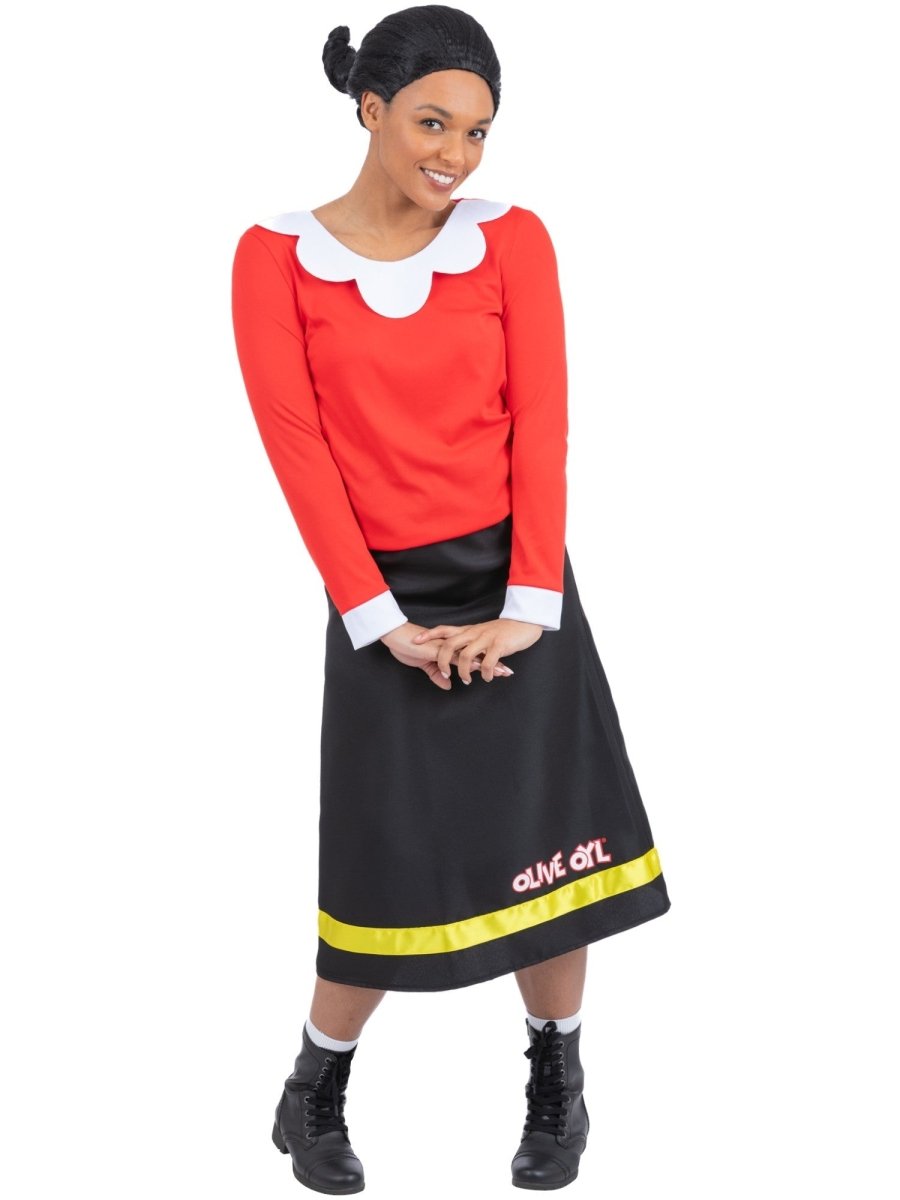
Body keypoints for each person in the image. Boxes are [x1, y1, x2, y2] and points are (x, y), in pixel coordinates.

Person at [231, 5, 671, 1193]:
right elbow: (298, 453)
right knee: (381, 857)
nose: (456, 155)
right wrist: (383, 624)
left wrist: (528, 604)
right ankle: (314, 1087)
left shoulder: (513, 240)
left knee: (551, 857)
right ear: (370, 109)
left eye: (477, 132)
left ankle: (558, 1081)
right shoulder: (273, 257)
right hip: (382, 599)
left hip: (517, 582)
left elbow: (543, 421)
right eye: (433, 123)